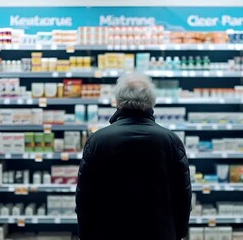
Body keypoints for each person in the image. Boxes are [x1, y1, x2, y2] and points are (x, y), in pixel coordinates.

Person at [75, 72, 192, 240]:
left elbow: (85, 197)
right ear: (152, 102)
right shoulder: (171, 141)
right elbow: (183, 196)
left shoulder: (98, 140)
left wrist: (86, 235)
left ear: (118, 102)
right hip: (159, 233)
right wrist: (177, 233)